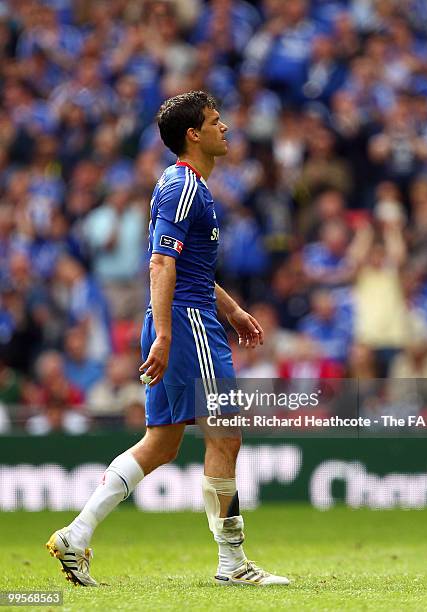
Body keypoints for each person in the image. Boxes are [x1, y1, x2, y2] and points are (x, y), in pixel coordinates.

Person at [46, 91, 289, 587]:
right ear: (193, 135)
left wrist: (235, 310)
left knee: (161, 443)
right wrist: (165, 333)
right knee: (226, 436)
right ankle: (232, 563)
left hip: (184, 318)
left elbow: (190, 267)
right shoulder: (185, 187)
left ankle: (77, 533)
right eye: (216, 121)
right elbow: (160, 263)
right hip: (186, 325)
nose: (226, 128)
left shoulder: (185, 185)